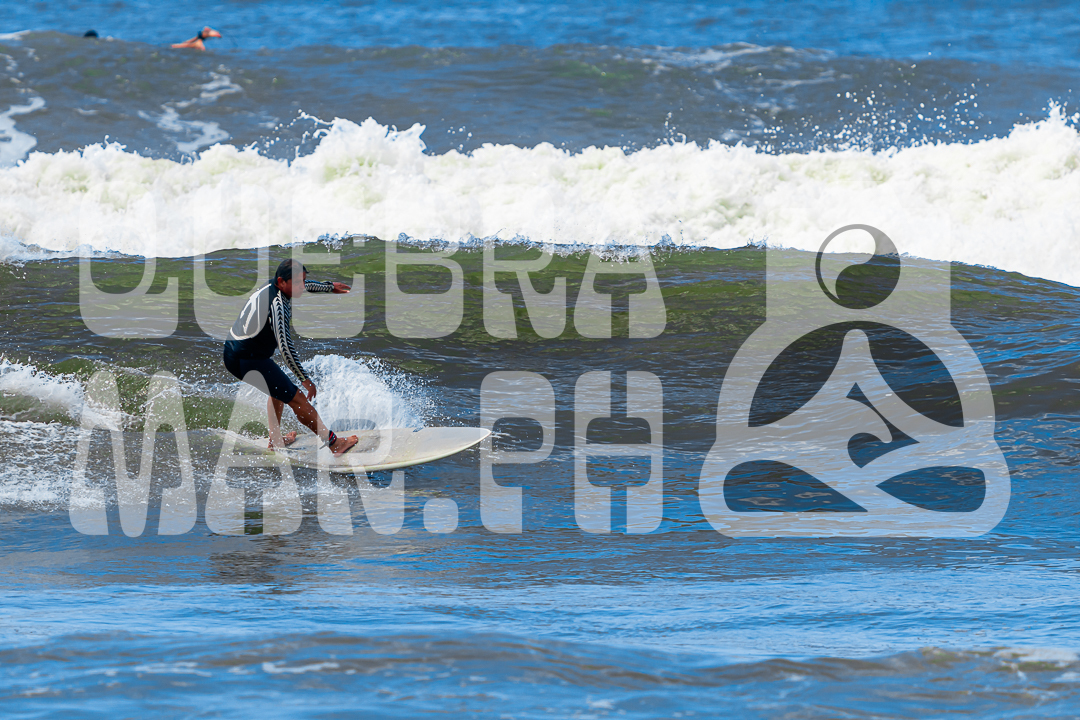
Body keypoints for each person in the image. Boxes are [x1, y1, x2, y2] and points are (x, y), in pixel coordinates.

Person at [224, 259, 359, 456]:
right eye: (297, 282)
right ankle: (334, 444)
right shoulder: (278, 305)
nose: (302, 286)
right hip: (246, 359)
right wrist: (305, 379)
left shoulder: (272, 286)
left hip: (236, 351)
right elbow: (285, 348)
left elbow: (304, 285)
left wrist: (329, 287)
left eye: (303, 280)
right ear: (281, 281)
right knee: (297, 399)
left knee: (277, 388)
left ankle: (275, 441)